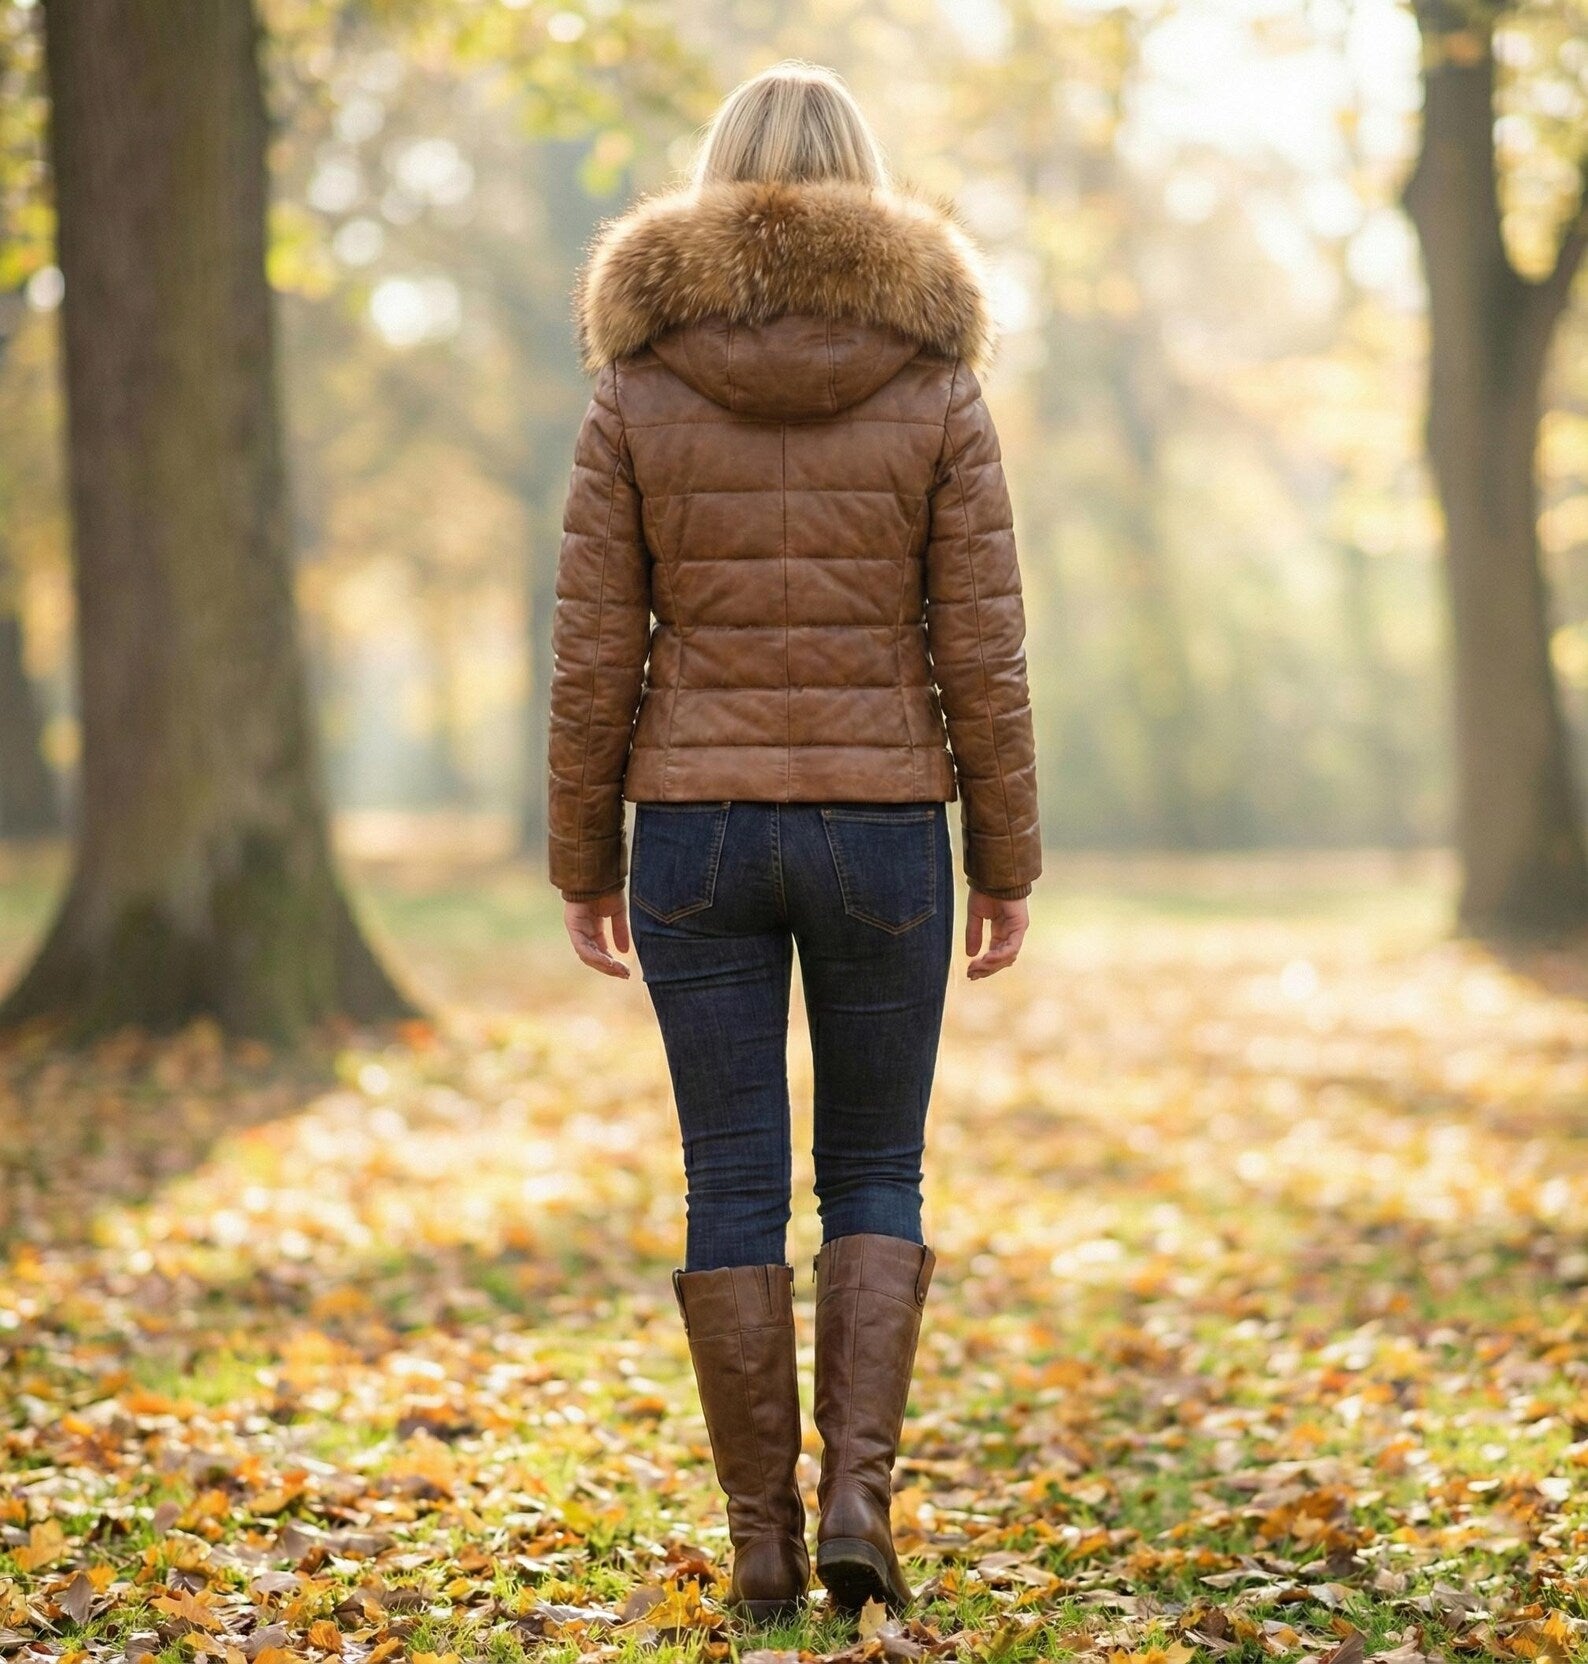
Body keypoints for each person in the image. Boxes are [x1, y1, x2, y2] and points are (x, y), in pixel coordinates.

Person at [547, 60, 1040, 1622]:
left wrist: (582, 856)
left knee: (733, 1175)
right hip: (883, 829)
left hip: (695, 831)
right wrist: (1006, 859)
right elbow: (983, 646)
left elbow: (593, 647)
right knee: (878, 1166)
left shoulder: (637, 382)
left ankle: (761, 1541)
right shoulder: (935, 381)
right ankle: (856, 1506)